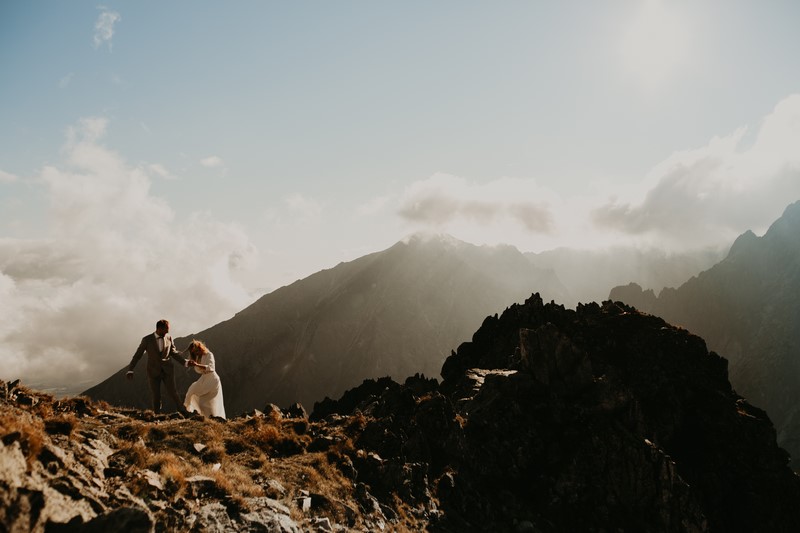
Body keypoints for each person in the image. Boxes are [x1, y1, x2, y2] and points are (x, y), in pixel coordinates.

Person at [127, 319, 191, 414]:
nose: (168, 332)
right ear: (159, 329)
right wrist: (130, 369)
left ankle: (182, 410)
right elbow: (138, 355)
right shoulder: (146, 340)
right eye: (166, 330)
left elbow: (173, 352)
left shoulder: (169, 337)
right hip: (153, 371)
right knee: (156, 395)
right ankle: (157, 414)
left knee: (173, 392)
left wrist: (184, 362)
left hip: (168, 370)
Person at [184, 340, 226, 419]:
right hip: (204, 378)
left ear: (200, 348)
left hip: (212, 379)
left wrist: (197, 365)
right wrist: (193, 364)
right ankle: (186, 410)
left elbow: (211, 368)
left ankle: (212, 419)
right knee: (191, 390)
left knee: (207, 403)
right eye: (194, 352)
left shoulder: (209, 354)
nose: (196, 353)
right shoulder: (197, 357)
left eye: (196, 351)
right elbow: (198, 370)